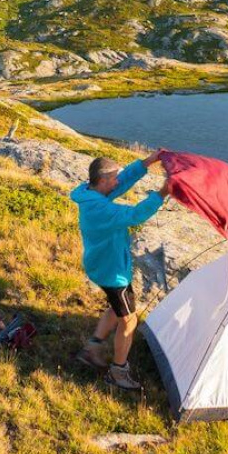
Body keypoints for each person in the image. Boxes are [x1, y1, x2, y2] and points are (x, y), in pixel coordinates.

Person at [71, 150, 166, 391]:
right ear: (102, 181)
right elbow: (135, 215)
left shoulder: (89, 193)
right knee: (129, 319)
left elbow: (122, 180)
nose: (117, 182)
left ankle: (92, 348)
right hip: (113, 272)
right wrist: (164, 193)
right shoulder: (101, 209)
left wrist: (149, 162)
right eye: (113, 178)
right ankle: (118, 371)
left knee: (116, 308)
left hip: (103, 264)